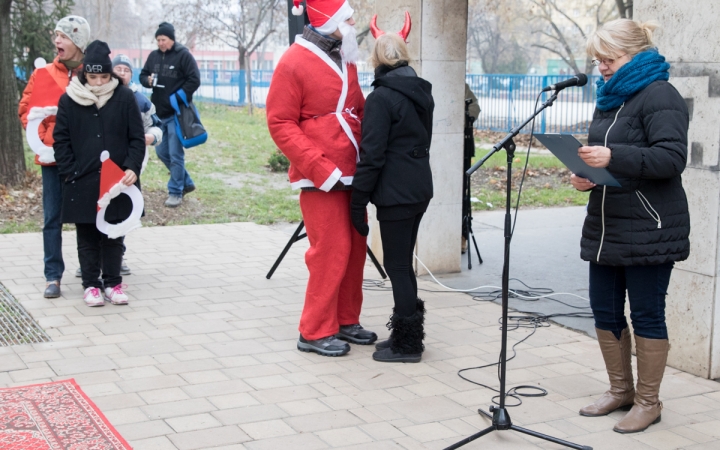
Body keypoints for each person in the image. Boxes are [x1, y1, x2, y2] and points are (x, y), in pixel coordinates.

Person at [571, 19, 690, 434]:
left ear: (635, 54)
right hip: (606, 225)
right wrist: (585, 175)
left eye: (609, 58)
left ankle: (648, 402)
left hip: (649, 227)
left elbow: (672, 158)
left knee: (646, 315)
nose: (601, 66)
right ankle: (620, 390)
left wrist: (613, 156)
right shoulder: (608, 98)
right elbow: (603, 158)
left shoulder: (661, 95)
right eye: (597, 59)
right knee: (604, 310)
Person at [266, 0, 376, 357]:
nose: (353, 23)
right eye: (347, 18)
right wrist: (319, 167)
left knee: (356, 247)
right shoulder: (292, 62)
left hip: (354, 169)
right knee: (330, 251)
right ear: (329, 21)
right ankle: (313, 330)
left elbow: (357, 107)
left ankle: (346, 319)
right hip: (321, 175)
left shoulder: (346, 57)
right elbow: (280, 122)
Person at [351, 32, 434, 363]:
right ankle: (406, 335)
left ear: (376, 61)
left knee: (397, 265)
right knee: (404, 264)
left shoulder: (382, 98)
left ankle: (408, 344)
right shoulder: (421, 92)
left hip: (397, 193)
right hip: (418, 188)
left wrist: (358, 201)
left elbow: (372, 155)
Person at [53, 40, 145, 307]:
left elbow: (136, 138)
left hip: (118, 180)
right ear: (85, 75)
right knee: (87, 235)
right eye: (93, 77)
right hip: (81, 179)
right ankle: (91, 285)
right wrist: (70, 171)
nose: (98, 82)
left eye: (104, 76)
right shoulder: (69, 99)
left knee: (114, 233)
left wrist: (131, 168)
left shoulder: (125, 97)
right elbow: (61, 140)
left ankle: (113, 283)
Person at [18, 15, 91, 298]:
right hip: (51, 159)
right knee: (52, 218)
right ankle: (53, 276)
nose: (57, 41)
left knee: (87, 216)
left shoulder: (91, 74)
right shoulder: (43, 74)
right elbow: (27, 110)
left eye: (64, 36)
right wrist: (46, 139)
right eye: (56, 36)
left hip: (83, 160)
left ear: (78, 42)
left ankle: (90, 271)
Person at [74, 54, 164, 280]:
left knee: (119, 211)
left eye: (126, 70)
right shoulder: (94, 97)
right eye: (118, 69)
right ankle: (91, 262)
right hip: (94, 168)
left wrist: (149, 137)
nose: (122, 73)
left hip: (126, 167)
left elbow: (157, 127)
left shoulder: (139, 100)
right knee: (93, 213)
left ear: (131, 75)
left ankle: (116, 257)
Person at [139, 22, 200, 208]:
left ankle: (175, 192)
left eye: (163, 39)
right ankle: (186, 182)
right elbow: (142, 75)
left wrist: (178, 97)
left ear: (171, 39)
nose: (160, 43)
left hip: (176, 114)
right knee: (162, 152)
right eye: (157, 40)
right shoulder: (154, 56)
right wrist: (147, 81)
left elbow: (194, 80)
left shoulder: (183, 56)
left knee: (175, 154)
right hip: (159, 114)